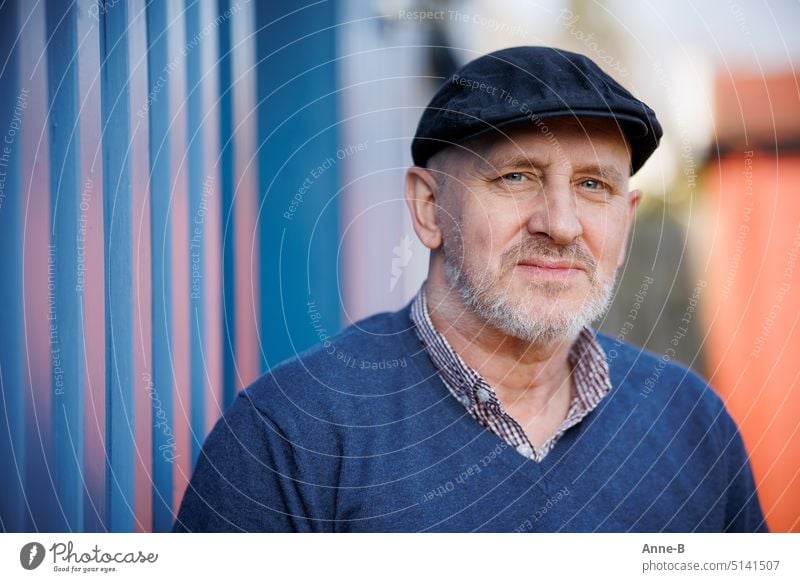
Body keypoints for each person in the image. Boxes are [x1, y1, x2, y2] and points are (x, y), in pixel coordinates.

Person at [173, 46, 766, 532]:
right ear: (429, 207)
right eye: (515, 177)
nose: (560, 224)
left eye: (593, 185)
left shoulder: (691, 423)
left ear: (627, 218)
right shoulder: (289, 435)